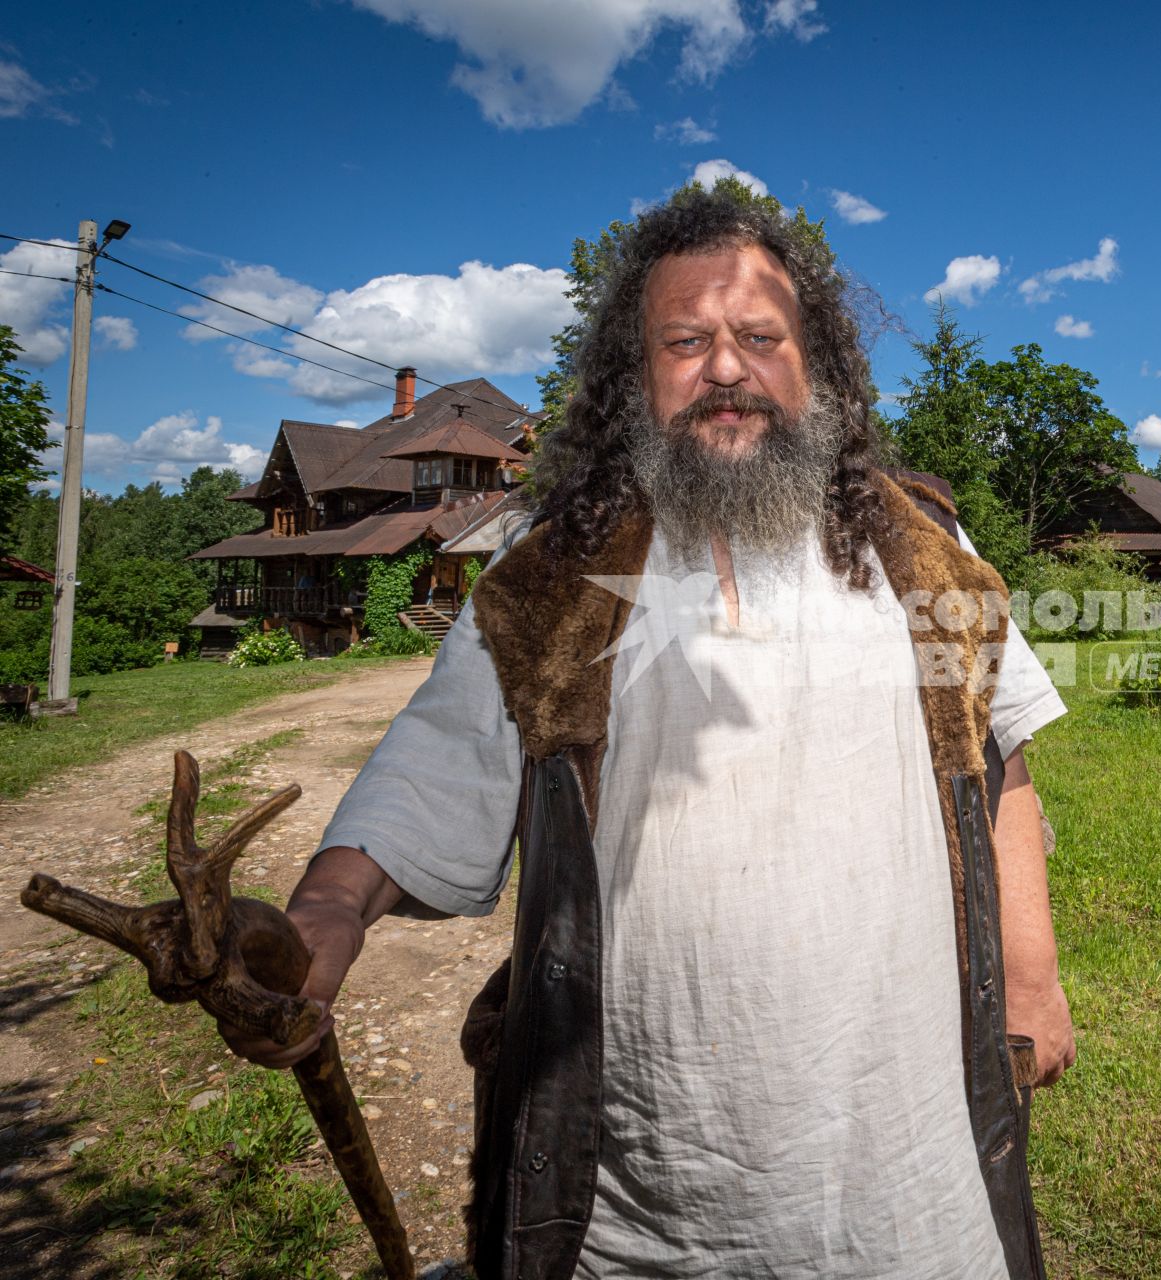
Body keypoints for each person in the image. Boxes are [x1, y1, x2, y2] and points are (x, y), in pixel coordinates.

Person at [222, 187, 1074, 1280]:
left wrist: (1035, 976)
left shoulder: (925, 554)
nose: (726, 367)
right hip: (637, 1204)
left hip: (907, 1182)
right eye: (686, 341)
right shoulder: (552, 573)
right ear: (636, 379)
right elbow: (421, 785)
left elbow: (1000, 764)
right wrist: (325, 913)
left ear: (818, 370)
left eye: (759, 337)